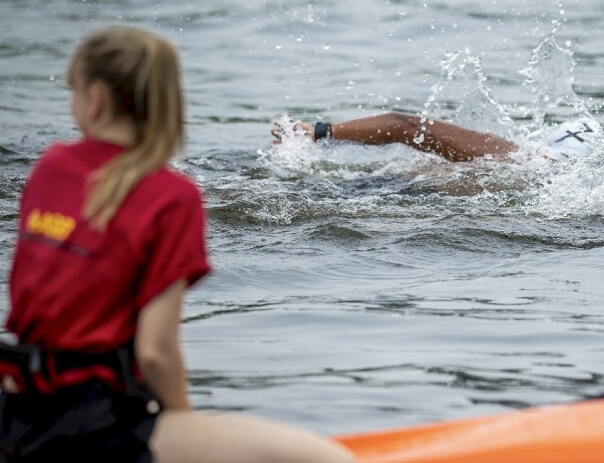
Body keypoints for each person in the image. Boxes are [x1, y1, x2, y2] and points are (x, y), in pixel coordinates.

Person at [0, 27, 354, 462]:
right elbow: (155, 351)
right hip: (93, 422)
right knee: (330, 459)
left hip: (16, 401)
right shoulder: (172, 195)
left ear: (94, 99)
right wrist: (180, 424)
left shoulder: (48, 167)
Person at [273, 113, 599, 162]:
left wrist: (320, 132)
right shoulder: (553, 177)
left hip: (395, 195)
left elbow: (403, 125)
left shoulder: (509, 153)